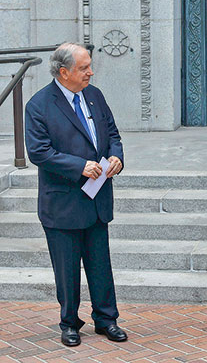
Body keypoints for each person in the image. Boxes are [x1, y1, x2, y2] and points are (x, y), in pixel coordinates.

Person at [24, 43, 127, 347]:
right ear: (64, 72)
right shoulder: (39, 104)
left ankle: (106, 319)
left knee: (101, 266)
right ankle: (69, 323)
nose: (90, 73)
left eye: (89, 66)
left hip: (97, 200)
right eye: (84, 68)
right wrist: (80, 166)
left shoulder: (94, 96)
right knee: (67, 271)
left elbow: (113, 134)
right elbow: (39, 152)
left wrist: (116, 158)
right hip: (63, 203)